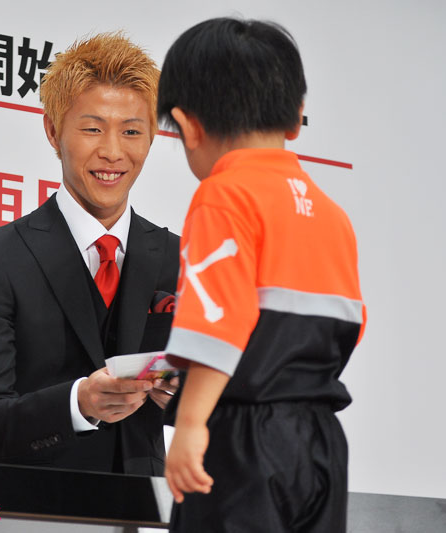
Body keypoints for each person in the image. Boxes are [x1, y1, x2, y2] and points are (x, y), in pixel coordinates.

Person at [157, 18, 366, 532]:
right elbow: (353, 325)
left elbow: (217, 324)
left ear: (188, 126)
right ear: (296, 118)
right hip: (321, 442)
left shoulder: (224, 194)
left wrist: (190, 423)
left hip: (242, 439)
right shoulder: (332, 213)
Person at [0, 33, 180, 475]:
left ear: (152, 137)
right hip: (28, 504)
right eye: (93, 129)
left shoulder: (180, 257)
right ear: (53, 131)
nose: (112, 152)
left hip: (143, 505)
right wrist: (79, 403)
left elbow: (216, 407)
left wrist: (184, 397)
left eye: (132, 131)